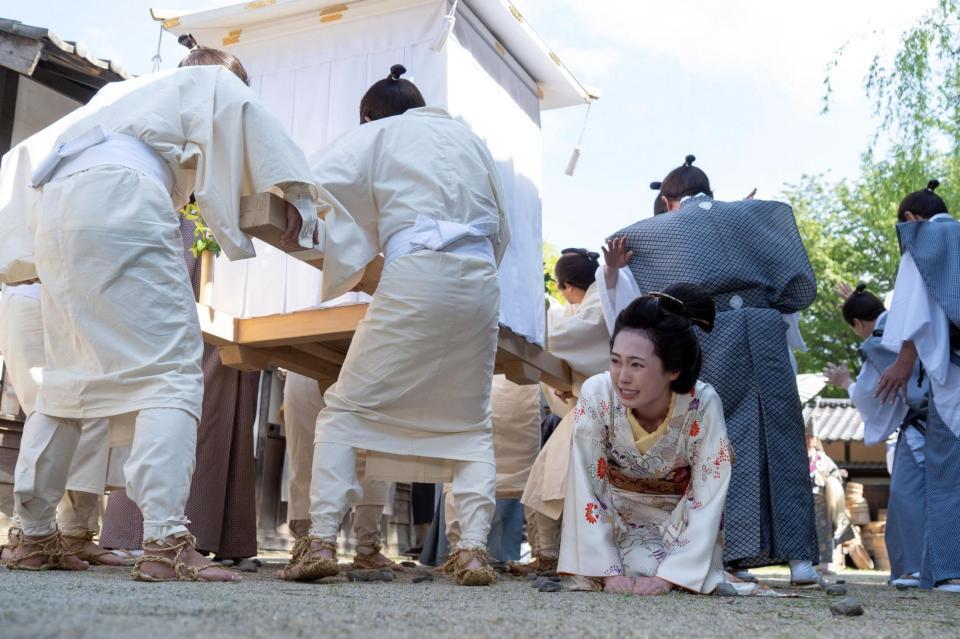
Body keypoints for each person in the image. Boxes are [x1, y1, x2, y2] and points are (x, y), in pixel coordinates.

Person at [0, 47, 330, 582]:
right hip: (121, 199)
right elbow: (249, 117)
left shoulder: (119, 97)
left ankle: (33, 536)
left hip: (58, 210)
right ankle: (165, 542)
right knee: (173, 373)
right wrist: (296, 192)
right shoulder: (213, 82)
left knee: (66, 378)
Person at [278, 65, 509, 587]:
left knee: (343, 412)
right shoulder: (470, 140)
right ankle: (472, 552)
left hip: (418, 272)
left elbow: (314, 181)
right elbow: (503, 230)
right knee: (469, 424)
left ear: (367, 116)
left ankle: (317, 542)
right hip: (478, 281)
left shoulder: (380, 134)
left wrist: (301, 212)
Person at [606, 156, 820, 585]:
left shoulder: (654, 233)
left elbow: (628, 300)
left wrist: (612, 270)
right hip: (764, 328)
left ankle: (732, 556)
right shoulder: (751, 218)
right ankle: (801, 560)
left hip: (709, 331)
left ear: (668, 201)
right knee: (781, 435)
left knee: (717, 439)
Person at [558, 283, 732, 595]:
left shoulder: (703, 403)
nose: (622, 376)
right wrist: (607, 572)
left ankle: (680, 570)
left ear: (673, 369)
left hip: (677, 528)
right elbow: (587, 484)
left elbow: (707, 491)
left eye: (636, 364)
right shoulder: (597, 394)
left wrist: (669, 577)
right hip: (613, 522)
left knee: (662, 572)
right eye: (615, 360)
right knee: (616, 571)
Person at [0, 283, 126, 567]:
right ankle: (28, 535)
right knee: (48, 410)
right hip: (33, 295)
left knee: (91, 417)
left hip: (78, 297)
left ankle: (74, 533)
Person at [876, 180, 960, 593]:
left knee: (947, 471)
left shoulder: (922, 241)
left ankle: (949, 571)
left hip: (953, 371)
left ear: (909, 220)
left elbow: (916, 313)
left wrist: (903, 364)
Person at [824, 283, 928, 586]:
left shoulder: (878, 342)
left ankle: (913, 569)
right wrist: (854, 303)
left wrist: (845, 383)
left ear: (858, 323)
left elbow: (871, 394)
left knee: (907, 496)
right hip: (946, 415)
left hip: (921, 424)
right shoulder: (905, 320)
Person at [519, 248, 612, 574]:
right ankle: (550, 555)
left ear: (567, 285)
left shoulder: (599, 305)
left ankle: (551, 556)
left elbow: (560, 337)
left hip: (603, 407)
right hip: (593, 403)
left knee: (550, 476)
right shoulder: (597, 300)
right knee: (549, 475)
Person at [282, 370, 400, 570]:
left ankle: (310, 546)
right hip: (366, 364)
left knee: (304, 452)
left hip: (306, 364)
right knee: (372, 452)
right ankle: (364, 548)